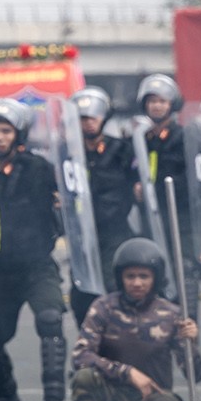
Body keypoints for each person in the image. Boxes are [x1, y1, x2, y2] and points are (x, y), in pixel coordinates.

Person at [0, 98, 68, 401]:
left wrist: (60, 205)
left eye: (5, 131)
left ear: (18, 134)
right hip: (1, 271)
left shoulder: (37, 169)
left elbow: (62, 203)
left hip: (38, 267)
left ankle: (53, 399)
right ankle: (6, 396)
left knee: (50, 320)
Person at [70, 238, 201, 401]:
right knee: (82, 378)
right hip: (111, 399)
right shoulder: (103, 308)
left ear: (155, 278)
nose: (137, 283)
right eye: (130, 276)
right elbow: (81, 356)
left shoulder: (172, 314)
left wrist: (191, 343)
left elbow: (195, 375)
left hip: (151, 400)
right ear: (120, 277)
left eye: (144, 276)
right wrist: (127, 372)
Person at [68, 86, 139, 328]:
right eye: (82, 118)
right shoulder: (70, 153)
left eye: (93, 117)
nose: (89, 123)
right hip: (82, 234)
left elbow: (138, 180)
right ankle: (89, 340)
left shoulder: (121, 150)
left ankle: (123, 338)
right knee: (81, 292)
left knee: (114, 285)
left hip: (115, 230)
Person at [137, 74, 197, 319]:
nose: (157, 106)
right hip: (151, 216)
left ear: (172, 104)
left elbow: (190, 178)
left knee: (185, 268)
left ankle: (190, 326)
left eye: (162, 101)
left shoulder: (183, 136)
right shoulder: (141, 139)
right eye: (152, 101)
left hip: (180, 215)